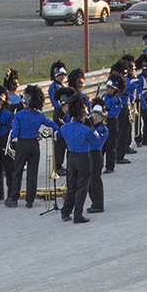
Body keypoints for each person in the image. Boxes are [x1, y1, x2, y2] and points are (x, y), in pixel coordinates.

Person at [6, 85, 58, 208]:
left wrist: (12, 132)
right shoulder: (40, 116)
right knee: (32, 172)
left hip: (22, 143)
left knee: (17, 171)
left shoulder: (19, 115)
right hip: (34, 144)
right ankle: (30, 200)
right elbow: (52, 125)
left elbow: (16, 132)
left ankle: (14, 198)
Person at [60, 95, 99, 224]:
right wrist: (92, 129)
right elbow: (96, 141)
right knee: (82, 186)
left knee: (71, 186)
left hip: (71, 156)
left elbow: (58, 136)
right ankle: (78, 215)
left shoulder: (64, 127)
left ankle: (65, 211)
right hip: (83, 156)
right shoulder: (86, 130)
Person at [101, 72, 127, 171]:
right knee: (101, 146)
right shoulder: (104, 96)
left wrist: (103, 113)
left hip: (111, 123)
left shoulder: (117, 100)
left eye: (110, 88)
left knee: (110, 145)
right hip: (103, 123)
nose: (107, 89)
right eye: (107, 87)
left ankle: (110, 166)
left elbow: (113, 113)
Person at [86, 98, 107, 214]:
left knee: (95, 180)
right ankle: (94, 202)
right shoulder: (88, 125)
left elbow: (98, 141)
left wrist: (92, 129)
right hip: (88, 153)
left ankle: (99, 204)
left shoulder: (103, 129)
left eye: (98, 115)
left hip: (96, 154)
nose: (95, 117)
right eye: (94, 114)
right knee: (89, 181)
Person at [49, 60, 69, 175]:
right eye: (59, 75)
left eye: (63, 75)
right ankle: (57, 165)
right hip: (59, 113)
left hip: (64, 112)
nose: (62, 77)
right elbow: (55, 102)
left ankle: (61, 164)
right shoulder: (54, 87)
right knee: (60, 140)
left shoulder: (61, 86)